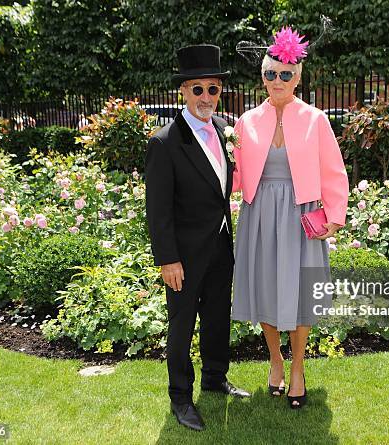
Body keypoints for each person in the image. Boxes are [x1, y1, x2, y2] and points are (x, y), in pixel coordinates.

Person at [231, 27, 349, 409]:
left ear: (298, 78)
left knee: (301, 293)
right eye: (270, 74)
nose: (277, 80)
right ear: (262, 77)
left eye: (285, 74)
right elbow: (232, 170)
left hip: (302, 214)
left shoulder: (315, 119)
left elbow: (333, 170)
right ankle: (276, 361)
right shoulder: (246, 121)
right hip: (260, 213)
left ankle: (298, 367)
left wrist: (334, 216)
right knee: (264, 286)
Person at [144, 44, 250, 432]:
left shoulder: (226, 130)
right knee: (182, 324)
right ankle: (181, 398)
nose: (207, 97)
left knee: (218, 318)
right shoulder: (164, 142)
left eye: (213, 89)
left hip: (221, 245)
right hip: (184, 257)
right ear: (184, 92)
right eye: (198, 89)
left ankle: (215, 378)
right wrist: (167, 259)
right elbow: (158, 210)